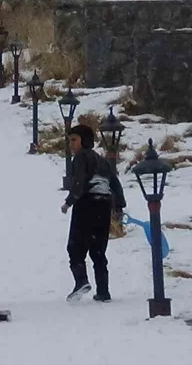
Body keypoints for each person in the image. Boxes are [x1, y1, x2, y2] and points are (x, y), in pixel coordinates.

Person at [61, 124, 126, 303]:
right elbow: (115, 183)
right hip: (104, 205)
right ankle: (103, 291)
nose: (71, 145)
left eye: (74, 140)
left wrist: (69, 201)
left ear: (85, 141)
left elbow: (80, 182)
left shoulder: (81, 158)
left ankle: (81, 281)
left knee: (75, 246)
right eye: (70, 141)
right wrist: (119, 206)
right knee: (98, 249)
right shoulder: (102, 160)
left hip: (86, 203)